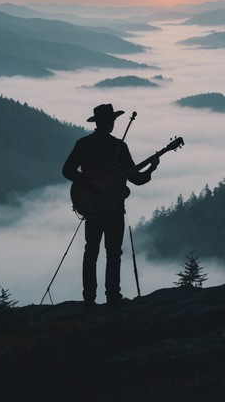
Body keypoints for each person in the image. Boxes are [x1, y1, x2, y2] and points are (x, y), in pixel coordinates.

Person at [62, 103, 159, 307]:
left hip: (92, 208)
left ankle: (89, 299)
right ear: (108, 122)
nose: (113, 123)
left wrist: (87, 182)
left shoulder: (83, 144)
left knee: (91, 252)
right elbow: (137, 179)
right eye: (112, 120)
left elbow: (67, 171)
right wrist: (152, 168)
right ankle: (112, 297)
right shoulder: (119, 147)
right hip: (114, 210)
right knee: (113, 253)